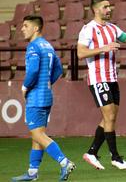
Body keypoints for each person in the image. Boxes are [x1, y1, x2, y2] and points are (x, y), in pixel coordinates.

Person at [12, 15, 75, 182]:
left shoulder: (33, 47)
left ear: (36, 28)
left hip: (36, 98)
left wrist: (25, 87)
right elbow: (58, 70)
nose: (22, 29)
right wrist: (46, 83)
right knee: (38, 135)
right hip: (46, 96)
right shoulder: (47, 46)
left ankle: (64, 162)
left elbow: (32, 71)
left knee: (38, 135)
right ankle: (32, 173)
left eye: (25, 26)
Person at [77, 0, 126, 170]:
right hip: (98, 78)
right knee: (109, 116)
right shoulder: (88, 29)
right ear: (96, 10)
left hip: (112, 78)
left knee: (110, 118)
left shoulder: (112, 28)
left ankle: (92, 152)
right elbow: (80, 53)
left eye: (109, 7)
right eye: (105, 7)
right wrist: (102, 48)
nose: (109, 10)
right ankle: (115, 157)